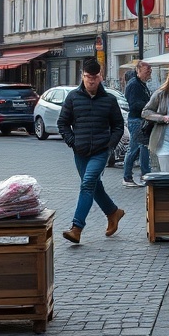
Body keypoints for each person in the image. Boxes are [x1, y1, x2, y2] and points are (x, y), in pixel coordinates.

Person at [57, 57, 126, 244]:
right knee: (94, 186)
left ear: (101, 77)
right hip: (80, 151)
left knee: (87, 184)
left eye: (95, 77)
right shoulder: (73, 97)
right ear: (82, 76)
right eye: (88, 77)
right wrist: (72, 141)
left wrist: (109, 145)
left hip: (100, 151)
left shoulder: (109, 100)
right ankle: (113, 212)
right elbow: (62, 123)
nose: (91, 81)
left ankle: (76, 228)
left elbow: (118, 126)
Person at [122, 60, 152, 187]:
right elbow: (134, 104)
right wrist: (149, 106)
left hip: (140, 120)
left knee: (143, 148)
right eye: (147, 71)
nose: (149, 74)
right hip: (136, 121)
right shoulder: (134, 84)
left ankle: (146, 175)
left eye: (150, 71)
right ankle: (128, 177)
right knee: (134, 149)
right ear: (138, 71)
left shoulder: (141, 84)